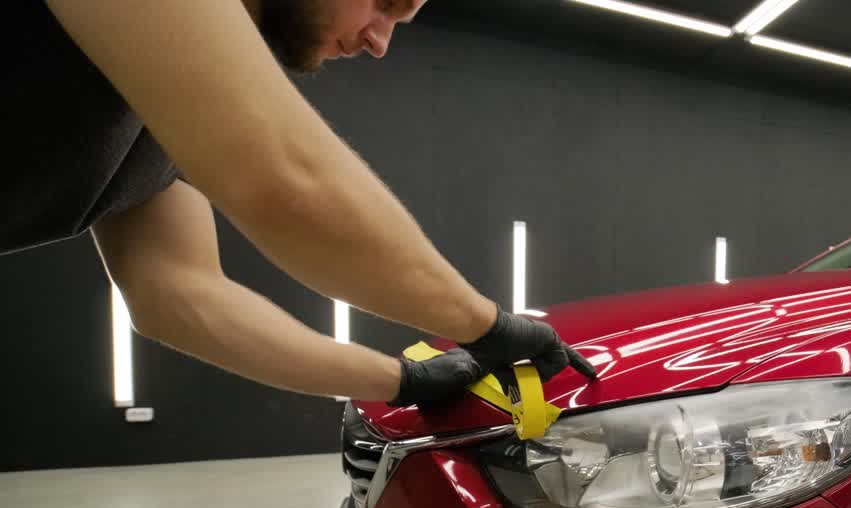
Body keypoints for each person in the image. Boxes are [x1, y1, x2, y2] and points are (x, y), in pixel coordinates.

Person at [4, 0, 596, 408]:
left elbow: (178, 293)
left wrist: (404, 380)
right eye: (385, 3)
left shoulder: (166, 108)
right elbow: (285, 178)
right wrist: (485, 325)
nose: (380, 40)